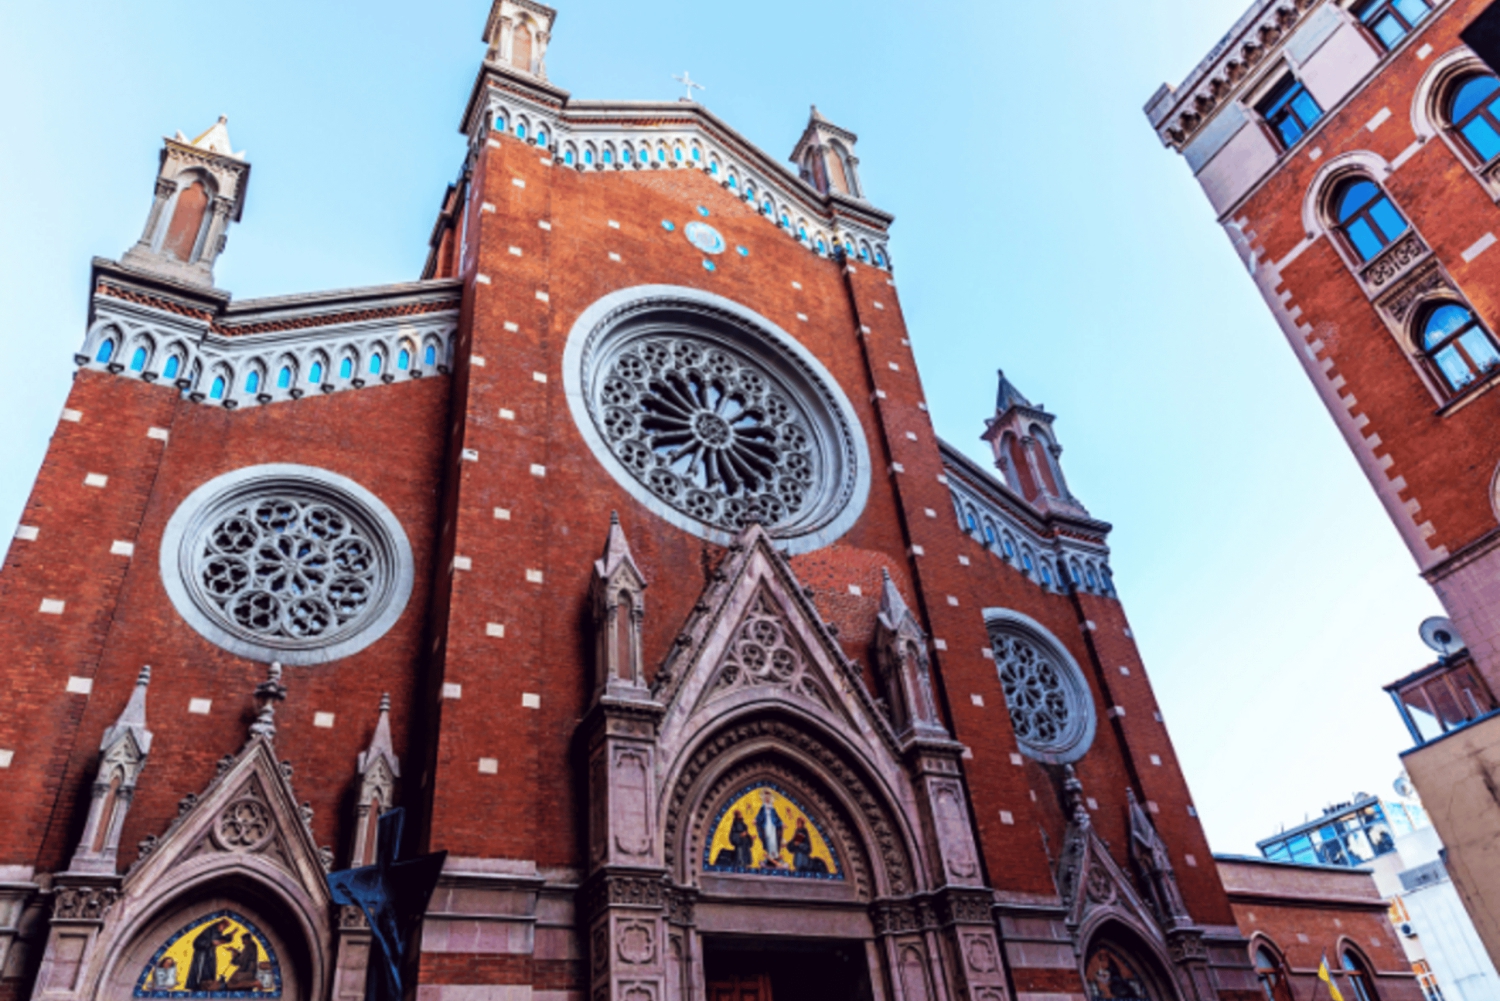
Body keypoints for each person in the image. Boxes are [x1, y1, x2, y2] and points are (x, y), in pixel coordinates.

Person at [187, 919, 234, 990]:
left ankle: (208, 987)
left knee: (210, 972)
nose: (223, 929)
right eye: (223, 927)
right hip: (202, 955)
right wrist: (210, 943)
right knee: (201, 973)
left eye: (225, 928)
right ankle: (197, 987)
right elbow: (197, 942)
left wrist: (229, 936)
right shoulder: (209, 931)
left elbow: (220, 939)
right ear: (219, 924)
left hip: (210, 955)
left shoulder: (216, 932)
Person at [755, 791, 784, 868]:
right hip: (766, 826)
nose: (767, 799)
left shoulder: (772, 809)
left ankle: (775, 855)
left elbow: (777, 818)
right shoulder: (762, 808)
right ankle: (770, 855)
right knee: (768, 839)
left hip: (773, 826)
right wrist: (756, 820)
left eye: (768, 798)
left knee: (773, 840)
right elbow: (759, 816)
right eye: (766, 798)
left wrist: (781, 823)